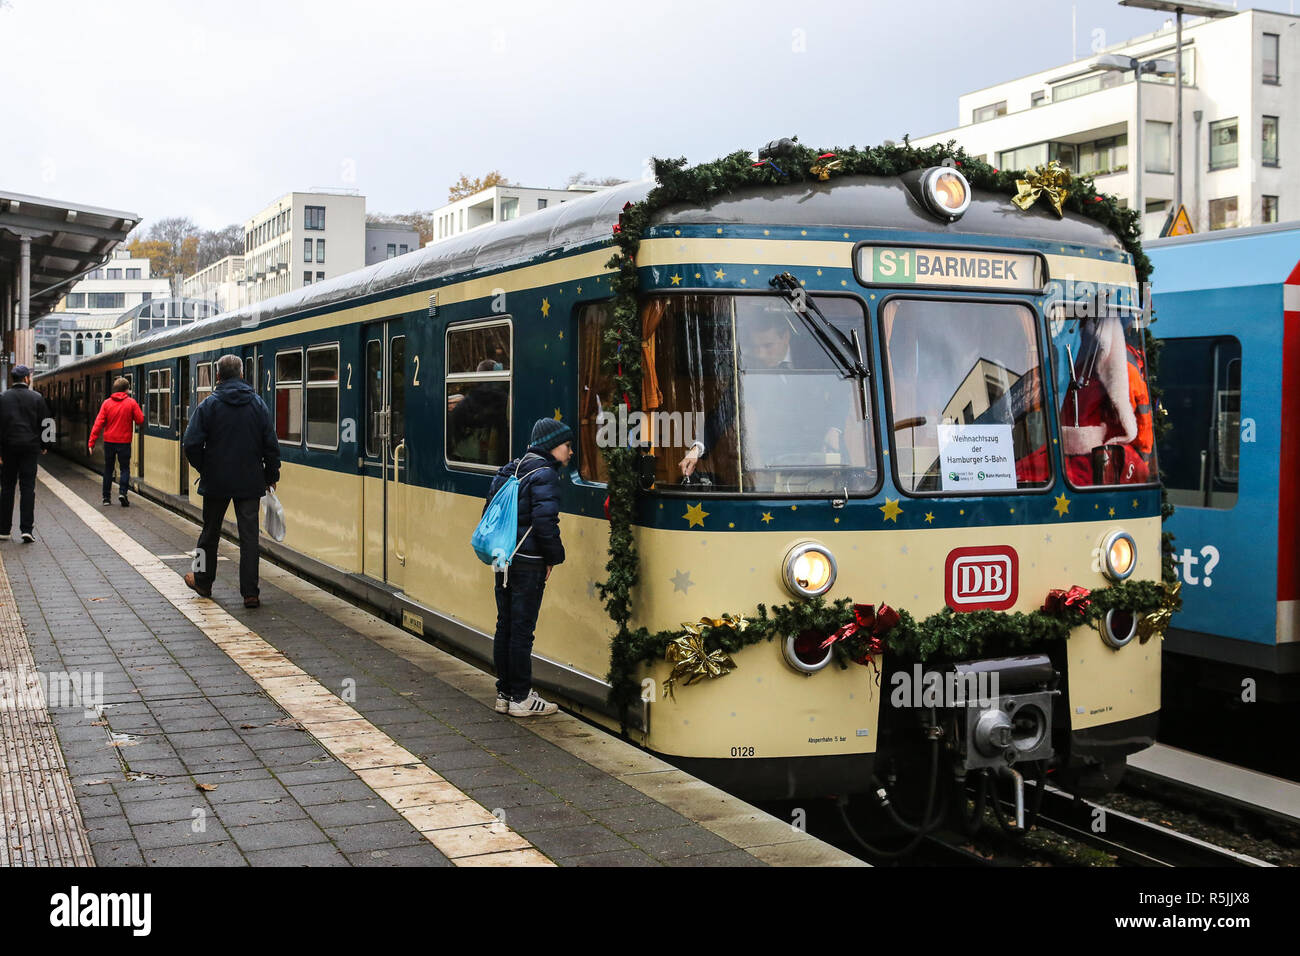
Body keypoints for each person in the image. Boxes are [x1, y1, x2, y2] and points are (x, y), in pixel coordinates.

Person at [486, 417, 571, 717]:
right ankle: (521, 697)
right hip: (529, 564)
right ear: (551, 446)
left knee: (505, 626)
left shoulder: (510, 469)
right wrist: (554, 557)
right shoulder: (545, 474)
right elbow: (546, 523)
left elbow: (490, 513)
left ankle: (504, 694)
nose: (570, 452)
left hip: (503, 560)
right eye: (567, 445)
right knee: (522, 631)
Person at [181, 354, 280, 608]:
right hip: (249, 482)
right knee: (249, 538)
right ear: (242, 374)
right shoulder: (258, 405)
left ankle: (203, 581)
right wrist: (270, 476)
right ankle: (250, 593)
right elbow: (271, 445)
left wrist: (205, 467)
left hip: (216, 482)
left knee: (209, 533)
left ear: (217, 376)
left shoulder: (208, 405)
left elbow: (191, 444)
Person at [0, 364, 54, 543]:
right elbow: (47, 421)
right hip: (30, 449)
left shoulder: (3, 398)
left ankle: (4, 529)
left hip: (8, 448)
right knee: (27, 488)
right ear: (26, 379)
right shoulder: (37, 398)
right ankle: (26, 529)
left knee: (7, 488)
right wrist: (46, 444)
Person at [88, 377, 144, 506]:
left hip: (109, 442)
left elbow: (98, 424)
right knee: (124, 468)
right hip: (124, 442)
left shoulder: (107, 403)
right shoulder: (131, 403)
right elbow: (140, 420)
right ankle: (122, 493)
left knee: (108, 469)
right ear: (127, 389)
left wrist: (91, 442)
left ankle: (106, 498)